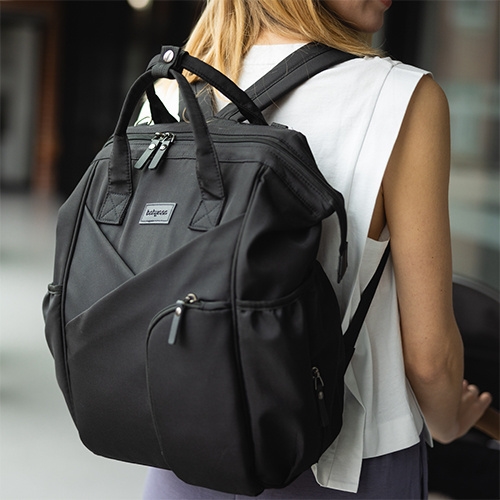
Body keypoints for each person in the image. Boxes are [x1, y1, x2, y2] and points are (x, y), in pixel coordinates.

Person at [142, 0, 493, 498]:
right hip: (346, 463)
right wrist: (450, 420)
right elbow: (429, 359)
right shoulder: (401, 97)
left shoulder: (170, 89)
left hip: (184, 449)